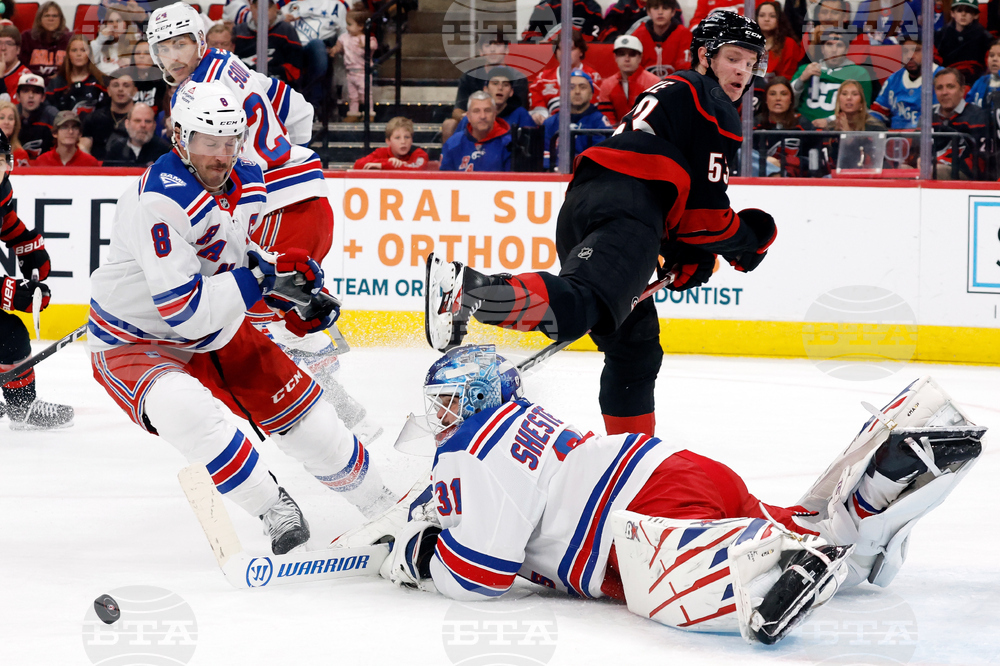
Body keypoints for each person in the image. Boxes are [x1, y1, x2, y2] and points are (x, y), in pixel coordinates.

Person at [365, 347, 984, 646]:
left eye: (447, 402)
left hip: (638, 520)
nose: (440, 416)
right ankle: (876, 487)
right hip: (672, 467)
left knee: (712, 581)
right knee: (813, 532)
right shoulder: (518, 414)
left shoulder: (468, 448)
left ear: (473, 401)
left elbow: (481, 575)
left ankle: (775, 569)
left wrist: (418, 559)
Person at [426, 12, 776, 437]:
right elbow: (707, 219)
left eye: (751, 61)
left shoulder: (674, 90)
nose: (743, 70)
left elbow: (686, 207)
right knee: (578, 307)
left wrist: (688, 252)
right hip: (629, 209)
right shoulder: (711, 100)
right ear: (705, 54)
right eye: (734, 57)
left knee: (635, 348)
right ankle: (471, 291)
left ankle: (629, 453)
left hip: (591, 203)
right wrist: (749, 239)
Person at [88, 81, 396, 556]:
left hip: (215, 323)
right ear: (181, 138)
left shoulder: (247, 176)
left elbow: (235, 256)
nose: (222, 155)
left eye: (230, 143)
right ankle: (272, 506)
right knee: (184, 410)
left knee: (309, 419)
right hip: (135, 339)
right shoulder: (159, 201)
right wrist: (260, 280)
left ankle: (381, 504)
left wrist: (290, 291)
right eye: (210, 144)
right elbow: (185, 311)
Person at [146, 2, 378, 443]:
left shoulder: (191, 95)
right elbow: (299, 112)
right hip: (309, 197)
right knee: (279, 303)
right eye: (164, 47)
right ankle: (335, 389)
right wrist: (282, 156)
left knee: (256, 304)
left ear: (198, 40)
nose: (174, 57)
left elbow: (221, 173)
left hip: (277, 208)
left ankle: (341, 411)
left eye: (180, 43)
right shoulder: (229, 64)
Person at [0, 128, 73, 429]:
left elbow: (8, 225)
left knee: (9, 335)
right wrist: (11, 292)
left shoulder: (2, 189)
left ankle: (21, 408)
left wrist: (29, 250)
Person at [442, 40, 530, 144]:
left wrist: (491, 116)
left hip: (509, 121)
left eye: (497, 45)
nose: (492, 49)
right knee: (450, 124)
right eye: (488, 45)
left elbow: (521, 108)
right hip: (477, 120)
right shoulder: (470, 77)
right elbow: (457, 110)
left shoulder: (518, 78)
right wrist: (471, 116)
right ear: (485, 89)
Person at [791, 28, 872, 124]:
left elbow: (863, 110)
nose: (834, 50)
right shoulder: (806, 69)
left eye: (839, 45)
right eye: (829, 45)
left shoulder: (859, 73)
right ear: (822, 49)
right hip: (802, 125)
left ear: (846, 50)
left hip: (839, 127)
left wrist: (830, 121)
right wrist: (802, 79)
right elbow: (788, 103)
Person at [528, 30, 603, 124]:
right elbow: (537, 107)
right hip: (550, 127)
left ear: (581, 51)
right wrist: (540, 115)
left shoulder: (593, 77)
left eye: (571, 49)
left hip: (583, 126)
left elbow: (595, 108)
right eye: (561, 49)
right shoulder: (543, 78)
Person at [542, 70, 612, 170]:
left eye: (583, 87)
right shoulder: (550, 123)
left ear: (591, 94)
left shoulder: (600, 122)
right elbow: (543, 155)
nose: (577, 91)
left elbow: (601, 159)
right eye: (571, 87)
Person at [280, 0, 345, 106]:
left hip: (319, 47)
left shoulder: (335, 5)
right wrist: (282, 20)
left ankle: (313, 102)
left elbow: (344, 33)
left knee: (317, 46)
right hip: (292, 47)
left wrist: (337, 47)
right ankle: (288, 103)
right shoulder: (289, 5)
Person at [869, 35, 939, 129]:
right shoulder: (893, 79)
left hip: (928, 139)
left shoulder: (941, 78)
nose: (910, 56)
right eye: (905, 51)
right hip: (894, 139)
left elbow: (942, 117)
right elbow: (877, 113)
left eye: (916, 50)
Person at [930, 68, 987, 180]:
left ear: (962, 90)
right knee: (902, 169)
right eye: (939, 88)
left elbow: (981, 162)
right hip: (930, 168)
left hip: (964, 175)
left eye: (950, 86)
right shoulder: (927, 117)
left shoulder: (978, 116)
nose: (944, 92)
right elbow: (914, 151)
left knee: (936, 171)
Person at [753, 77, 816, 177]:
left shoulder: (803, 125)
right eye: (773, 94)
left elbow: (815, 161)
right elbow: (745, 156)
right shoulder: (755, 124)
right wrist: (768, 161)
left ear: (791, 99)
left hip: (794, 180)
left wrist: (784, 161)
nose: (778, 98)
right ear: (766, 99)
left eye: (783, 94)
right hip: (760, 179)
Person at [233, 0, 304, 86]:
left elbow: (295, 68)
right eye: (258, 7)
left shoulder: (286, 31)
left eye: (268, 7)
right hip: (244, 85)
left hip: (277, 86)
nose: (263, 12)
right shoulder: (238, 31)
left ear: (275, 9)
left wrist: (270, 75)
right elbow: (231, 62)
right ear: (251, 8)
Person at [439, 91, 512, 172]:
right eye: (476, 111)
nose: (483, 116)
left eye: (487, 110)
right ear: (468, 116)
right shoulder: (452, 143)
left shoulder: (509, 144)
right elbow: (445, 181)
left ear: (494, 114)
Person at [598, 34, 661, 125]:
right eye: (622, 54)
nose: (627, 59)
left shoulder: (654, 83)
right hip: (616, 136)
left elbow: (656, 117)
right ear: (615, 57)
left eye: (632, 54)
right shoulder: (607, 85)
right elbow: (607, 120)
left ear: (640, 57)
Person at [328, 10, 376, 121]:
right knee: (352, 96)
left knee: (365, 94)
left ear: (360, 26)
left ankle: (369, 114)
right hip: (350, 72)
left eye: (350, 24)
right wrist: (334, 50)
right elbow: (338, 45)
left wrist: (365, 45)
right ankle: (354, 114)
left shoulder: (366, 38)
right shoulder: (344, 37)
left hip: (363, 72)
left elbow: (374, 45)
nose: (347, 27)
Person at [625, 0, 692, 78]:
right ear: (648, 12)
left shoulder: (684, 34)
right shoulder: (638, 35)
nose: (660, 12)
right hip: (644, 85)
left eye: (665, 8)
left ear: (673, 12)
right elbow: (633, 70)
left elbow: (684, 69)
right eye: (656, 8)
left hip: (675, 85)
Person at [80, 70, 134, 160]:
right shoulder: (93, 118)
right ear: (108, 90)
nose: (120, 89)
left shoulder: (143, 118)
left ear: (134, 91)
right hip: (100, 170)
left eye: (126, 85)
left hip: (135, 169)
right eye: (116, 85)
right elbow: (83, 148)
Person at [46, 35, 108, 115]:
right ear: (68, 54)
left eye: (83, 50)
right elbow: (49, 110)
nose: (78, 54)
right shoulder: (56, 82)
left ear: (90, 54)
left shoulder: (101, 82)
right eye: (74, 50)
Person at [935, 0, 991, 83]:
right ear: (952, 13)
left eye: (968, 11)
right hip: (947, 77)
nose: (963, 14)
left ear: (975, 15)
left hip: (976, 79)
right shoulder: (941, 34)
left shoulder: (984, 36)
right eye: (959, 10)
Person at [103, 102, 170, 166]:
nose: (143, 125)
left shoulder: (164, 152)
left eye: (148, 121)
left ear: (154, 125)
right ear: (127, 124)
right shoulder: (115, 149)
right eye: (137, 121)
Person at [353, 116, 429, 170]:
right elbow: (358, 164)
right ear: (388, 141)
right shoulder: (381, 152)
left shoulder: (419, 153)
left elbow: (417, 168)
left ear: (412, 139)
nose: (403, 142)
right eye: (397, 138)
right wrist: (388, 162)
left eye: (407, 137)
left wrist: (390, 165)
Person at [19, 1, 70, 80]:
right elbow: (20, 66)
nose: (51, 19)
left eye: (55, 16)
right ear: (39, 19)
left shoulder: (69, 39)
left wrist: (61, 75)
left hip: (60, 84)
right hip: (32, 83)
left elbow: (73, 66)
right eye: (47, 16)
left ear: (61, 19)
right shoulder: (27, 37)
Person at [756, 1, 805, 83]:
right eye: (762, 15)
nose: (766, 19)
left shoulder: (789, 44)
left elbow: (789, 77)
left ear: (779, 19)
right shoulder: (748, 44)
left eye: (772, 16)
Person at [34, 110, 101, 166]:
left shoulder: (90, 162)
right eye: (64, 127)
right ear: (55, 133)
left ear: (80, 134)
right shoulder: (42, 161)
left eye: (74, 127)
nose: (70, 131)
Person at [520, 0, 604, 43]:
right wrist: (541, 42)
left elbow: (595, 37)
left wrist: (577, 45)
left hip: (581, 57)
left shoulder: (591, 7)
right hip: (549, 56)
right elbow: (529, 34)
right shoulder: (544, 6)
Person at [16, 72, 57, 160]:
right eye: (25, 91)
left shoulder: (52, 116)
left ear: (43, 97)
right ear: (18, 96)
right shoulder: (11, 116)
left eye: (36, 92)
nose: (31, 96)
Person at [90, 9, 135, 76]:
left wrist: (132, 63)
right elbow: (89, 61)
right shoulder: (98, 45)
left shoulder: (136, 45)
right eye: (111, 22)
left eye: (118, 21)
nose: (114, 25)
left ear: (127, 24)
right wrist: (100, 39)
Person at [0, 25, 30, 102]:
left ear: (18, 50)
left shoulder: (25, 77)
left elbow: (10, 110)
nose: (3, 48)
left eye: (9, 43)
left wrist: (0, 77)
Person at [966, 38, 1000, 106]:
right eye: (991, 55)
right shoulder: (980, 82)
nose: (994, 59)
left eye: (999, 56)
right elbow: (968, 108)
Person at [0, 101, 31, 166]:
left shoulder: (20, 154)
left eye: (10, 119)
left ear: (15, 124)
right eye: (1, 118)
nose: (6, 122)